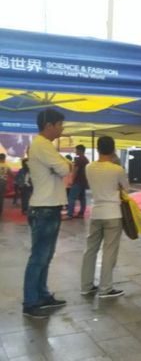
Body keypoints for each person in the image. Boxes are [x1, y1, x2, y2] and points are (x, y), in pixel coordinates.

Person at [23, 109, 72, 319]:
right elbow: (65, 169)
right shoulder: (42, 145)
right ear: (48, 125)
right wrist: (63, 165)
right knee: (39, 257)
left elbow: (63, 167)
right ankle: (30, 302)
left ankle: (42, 295)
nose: (62, 128)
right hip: (44, 208)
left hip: (48, 207)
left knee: (46, 255)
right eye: (59, 124)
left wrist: (62, 165)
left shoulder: (45, 146)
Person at [80, 136, 129, 298]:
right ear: (113, 149)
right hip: (113, 213)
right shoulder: (117, 169)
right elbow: (126, 188)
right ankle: (105, 288)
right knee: (109, 251)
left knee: (90, 250)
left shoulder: (89, 167)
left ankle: (86, 286)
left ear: (97, 149)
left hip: (96, 213)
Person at [66, 144, 89, 219]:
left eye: (76, 150)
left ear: (80, 150)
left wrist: (72, 179)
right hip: (83, 181)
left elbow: (76, 170)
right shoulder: (86, 159)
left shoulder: (79, 159)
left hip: (78, 181)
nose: (75, 151)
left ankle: (70, 214)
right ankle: (81, 213)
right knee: (82, 197)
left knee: (71, 197)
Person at [0, 153, 12, 217]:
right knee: (1, 197)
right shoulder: (6, 166)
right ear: (4, 158)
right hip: (3, 182)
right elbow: (11, 174)